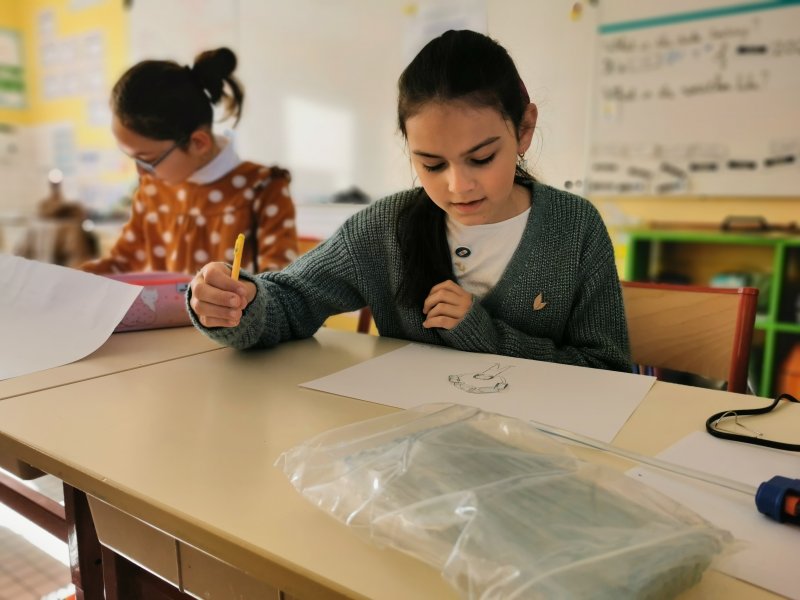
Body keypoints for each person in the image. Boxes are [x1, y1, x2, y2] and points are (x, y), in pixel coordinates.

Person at [187, 30, 631, 371]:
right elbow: (290, 302)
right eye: (432, 165)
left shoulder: (574, 227)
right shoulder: (385, 227)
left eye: (481, 158)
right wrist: (237, 301)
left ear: (525, 129)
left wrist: (484, 335)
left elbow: (607, 370)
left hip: (538, 449)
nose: (458, 186)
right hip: (412, 446)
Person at [81, 47, 298, 275]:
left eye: (147, 160)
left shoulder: (264, 188)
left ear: (198, 143)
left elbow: (280, 282)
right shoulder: (152, 190)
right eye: (131, 157)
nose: (140, 173)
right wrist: (70, 279)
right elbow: (121, 264)